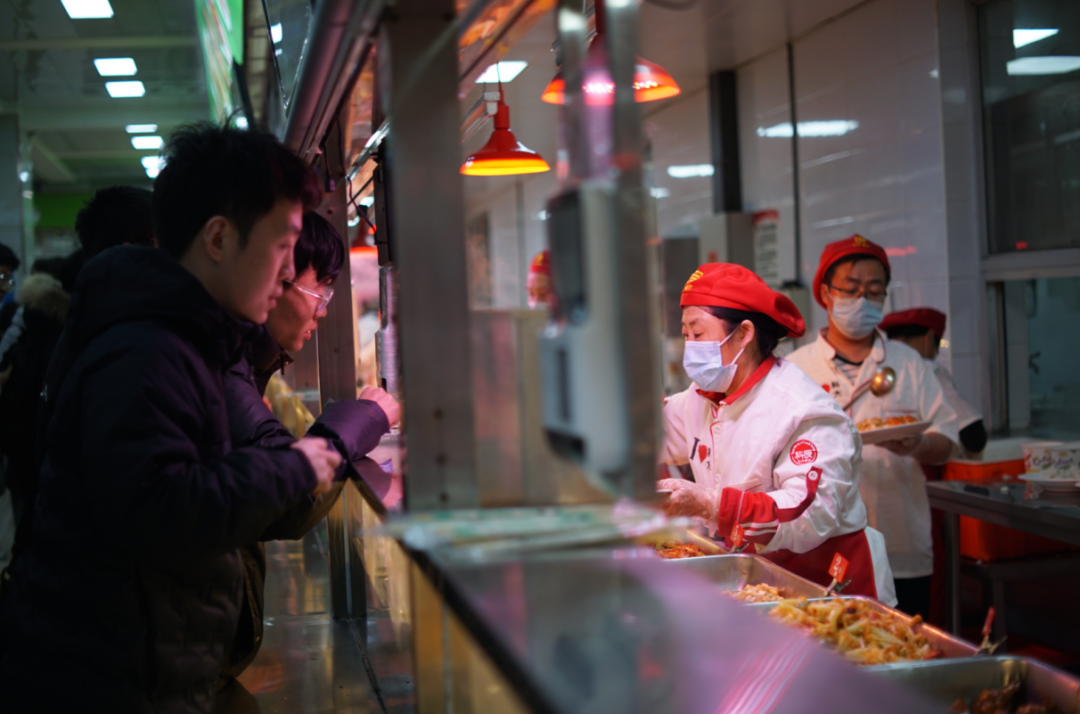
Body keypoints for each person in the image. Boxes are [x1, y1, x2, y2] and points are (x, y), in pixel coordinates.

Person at [0, 123, 343, 713]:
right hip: (106, 682)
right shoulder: (147, 349)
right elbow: (156, 507)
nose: (289, 273)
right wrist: (289, 468)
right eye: (282, 246)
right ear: (218, 239)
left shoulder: (185, 338)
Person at [219, 212, 400, 683]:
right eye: (319, 287)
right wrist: (368, 416)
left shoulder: (235, 361)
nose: (322, 309)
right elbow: (290, 495)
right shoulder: (215, 364)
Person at [657, 263, 896, 604]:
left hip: (829, 587)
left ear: (744, 333)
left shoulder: (803, 408)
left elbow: (811, 513)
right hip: (756, 579)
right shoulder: (702, 397)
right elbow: (648, 438)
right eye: (686, 336)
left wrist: (710, 504)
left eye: (698, 334)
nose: (690, 347)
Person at [787, 235, 960, 619]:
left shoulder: (908, 362)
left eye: (874, 290)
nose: (862, 299)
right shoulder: (796, 369)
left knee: (904, 653)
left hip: (901, 541)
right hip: (821, 544)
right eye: (851, 289)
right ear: (826, 293)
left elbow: (948, 439)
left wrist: (917, 445)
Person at [880, 307, 986, 457]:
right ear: (928, 339)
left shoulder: (878, 370)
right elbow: (974, 436)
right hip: (922, 473)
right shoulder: (928, 369)